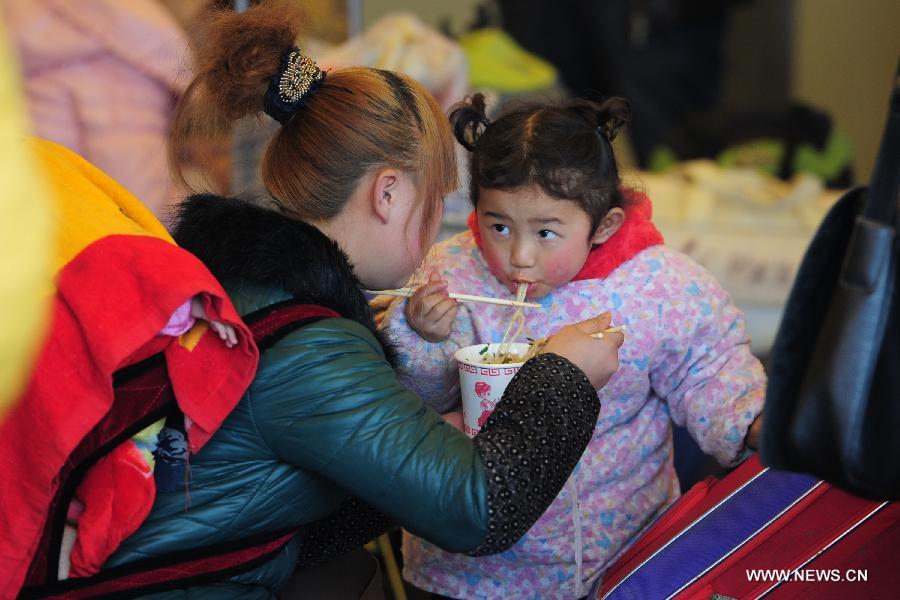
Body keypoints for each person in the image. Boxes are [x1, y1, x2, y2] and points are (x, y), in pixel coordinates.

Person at [100, 3, 625, 598]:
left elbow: (297, 520)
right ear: (389, 193)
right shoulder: (307, 343)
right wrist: (564, 373)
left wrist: (424, 438)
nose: (435, 231)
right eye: (437, 204)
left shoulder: (240, 281)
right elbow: (481, 510)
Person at [379, 94, 766, 599]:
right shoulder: (449, 272)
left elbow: (709, 370)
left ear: (603, 225)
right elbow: (412, 406)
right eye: (498, 226)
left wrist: (752, 422)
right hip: (463, 573)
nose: (519, 256)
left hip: (621, 562)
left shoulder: (655, 285)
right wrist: (421, 335)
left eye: (546, 232)